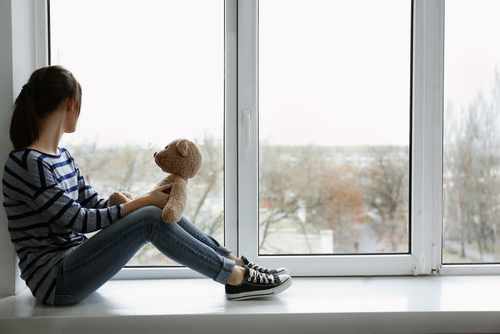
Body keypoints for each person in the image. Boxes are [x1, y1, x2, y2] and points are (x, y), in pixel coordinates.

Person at [2, 65, 292, 306]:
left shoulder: (61, 157)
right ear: (70, 104)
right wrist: (142, 203)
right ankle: (236, 279)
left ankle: (235, 263)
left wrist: (146, 198)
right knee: (150, 218)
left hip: (74, 266)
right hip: (56, 282)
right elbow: (79, 221)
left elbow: (93, 204)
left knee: (161, 207)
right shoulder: (27, 163)